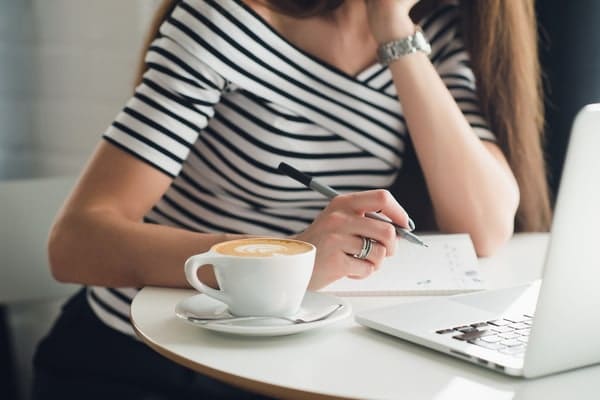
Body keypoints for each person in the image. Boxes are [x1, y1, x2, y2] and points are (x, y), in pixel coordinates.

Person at [33, 0, 551, 398]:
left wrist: (393, 26)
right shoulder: (227, 19)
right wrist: (289, 258)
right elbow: (76, 240)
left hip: (285, 358)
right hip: (148, 358)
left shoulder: (433, 27)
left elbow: (485, 225)